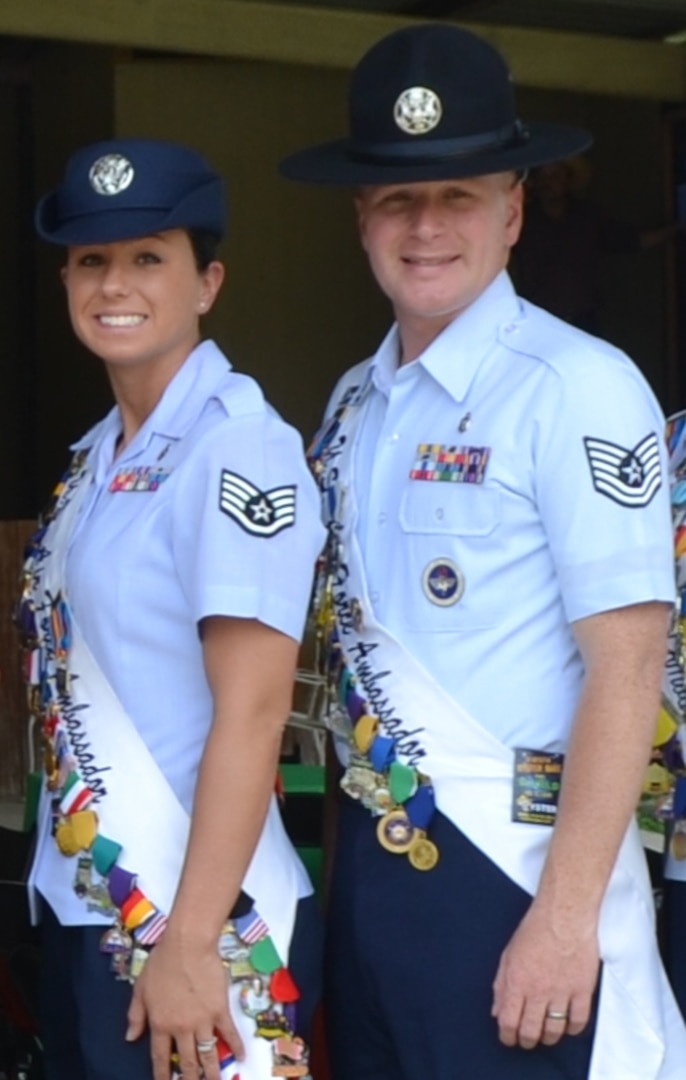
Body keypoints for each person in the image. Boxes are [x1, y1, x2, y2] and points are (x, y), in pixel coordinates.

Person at [278, 23, 686, 1080]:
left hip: (513, 875)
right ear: (360, 218)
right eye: (395, 198)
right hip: (374, 870)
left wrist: (562, 918)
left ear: (511, 210)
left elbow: (627, 664)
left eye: (457, 195)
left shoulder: (574, 387)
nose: (425, 226)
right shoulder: (353, 401)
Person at [19, 138, 326, 1080]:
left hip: (194, 924)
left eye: (150, 257)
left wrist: (190, 943)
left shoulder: (238, 449)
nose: (116, 283)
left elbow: (255, 710)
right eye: (92, 260)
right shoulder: (94, 460)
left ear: (208, 282)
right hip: (89, 905)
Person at [513, 157, 679, 334]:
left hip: (584, 320)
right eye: (542, 176)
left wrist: (676, 229)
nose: (548, 183)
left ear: (568, 180)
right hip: (537, 322)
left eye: (555, 175)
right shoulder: (520, 221)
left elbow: (631, 240)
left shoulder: (588, 217)